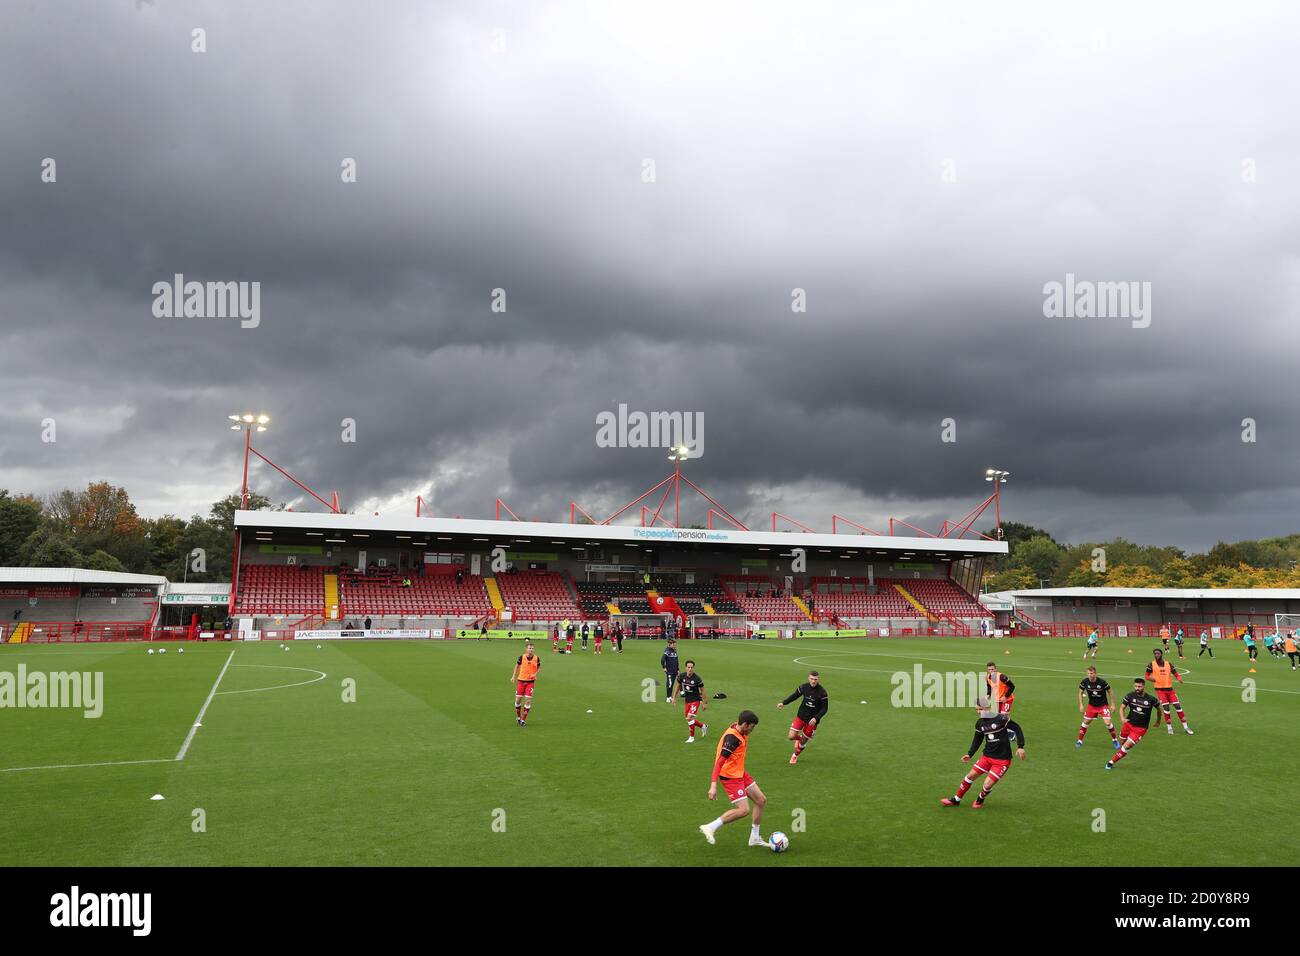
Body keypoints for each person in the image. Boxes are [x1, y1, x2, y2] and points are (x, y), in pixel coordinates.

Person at [940, 697, 1027, 808]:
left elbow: (1017, 728)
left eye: (980, 709)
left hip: (1002, 760)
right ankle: (956, 800)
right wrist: (970, 754)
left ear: (987, 708)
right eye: (977, 710)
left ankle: (979, 800)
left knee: (987, 784)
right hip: (987, 757)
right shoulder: (980, 723)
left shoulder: (1001, 718)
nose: (978, 712)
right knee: (970, 776)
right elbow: (977, 739)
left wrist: (1020, 746)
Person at [699, 710, 767, 847]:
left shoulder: (739, 728)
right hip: (730, 776)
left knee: (760, 800)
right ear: (745, 724)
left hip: (740, 772)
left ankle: (754, 838)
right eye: (752, 727)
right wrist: (713, 785)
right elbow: (719, 762)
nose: (752, 730)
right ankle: (710, 827)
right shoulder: (733, 740)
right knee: (743, 810)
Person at [1105, 677, 1161, 770]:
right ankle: (1123, 751)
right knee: (1122, 742)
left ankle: (1111, 762)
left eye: (1139, 686)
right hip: (1128, 724)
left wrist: (1158, 721)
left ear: (1144, 686)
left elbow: (1159, 709)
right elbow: (1122, 708)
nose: (1137, 688)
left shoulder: (1151, 699)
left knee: (1127, 745)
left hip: (1140, 728)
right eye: (1136, 686)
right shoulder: (1130, 696)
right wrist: (1122, 718)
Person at [777, 671, 828, 765]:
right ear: (808, 678)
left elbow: (825, 709)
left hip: (812, 722)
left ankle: (795, 755)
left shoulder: (822, 692)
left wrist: (816, 718)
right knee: (791, 736)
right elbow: (794, 696)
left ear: (818, 679)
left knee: (803, 742)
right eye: (812, 679)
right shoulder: (803, 687)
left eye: (815, 679)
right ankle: (799, 738)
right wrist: (783, 703)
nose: (813, 681)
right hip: (801, 716)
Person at [1145, 647, 1193, 736]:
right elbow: (1146, 676)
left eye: (1158, 653)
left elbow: (1175, 673)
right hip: (1160, 690)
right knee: (1166, 709)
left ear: (1161, 654)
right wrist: (1151, 679)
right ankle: (1169, 728)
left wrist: (1179, 678)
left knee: (1178, 707)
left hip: (1170, 690)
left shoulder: (1168, 664)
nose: (1156, 655)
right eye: (1155, 654)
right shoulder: (1151, 664)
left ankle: (1186, 727)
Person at [1076, 666, 1120, 750]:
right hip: (1092, 705)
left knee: (1108, 723)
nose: (1090, 675)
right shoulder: (1084, 682)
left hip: (1103, 705)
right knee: (1086, 722)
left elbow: (1110, 691)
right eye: (1088, 673)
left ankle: (1115, 740)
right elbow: (1080, 692)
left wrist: (1113, 704)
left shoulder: (1102, 682)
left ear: (1095, 673)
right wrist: (1081, 705)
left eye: (1091, 673)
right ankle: (1079, 740)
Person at [674, 660, 708, 742]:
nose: (690, 669)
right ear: (685, 668)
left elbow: (703, 690)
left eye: (691, 667)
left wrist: (704, 703)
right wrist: (674, 698)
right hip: (687, 700)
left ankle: (691, 737)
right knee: (689, 719)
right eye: (688, 667)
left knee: (689, 718)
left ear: (694, 668)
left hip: (695, 700)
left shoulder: (697, 678)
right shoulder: (682, 676)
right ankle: (703, 726)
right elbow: (678, 686)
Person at [509, 641, 542, 726]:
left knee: (528, 700)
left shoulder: (536, 658)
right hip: (521, 681)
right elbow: (516, 666)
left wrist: (535, 673)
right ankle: (518, 717)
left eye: (532, 648)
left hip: (530, 682)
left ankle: (523, 720)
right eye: (529, 648)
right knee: (518, 700)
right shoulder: (521, 657)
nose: (531, 650)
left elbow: (538, 666)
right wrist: (513, 676)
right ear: (526, 649)